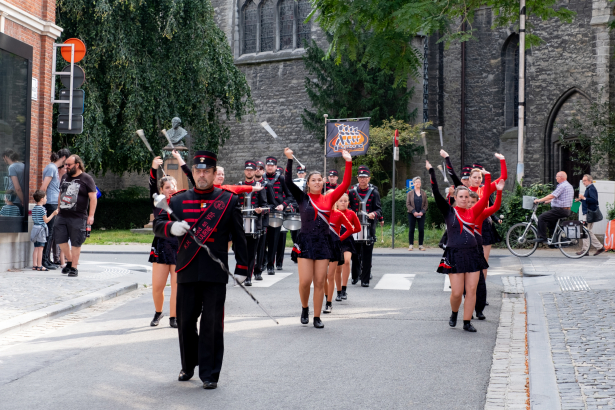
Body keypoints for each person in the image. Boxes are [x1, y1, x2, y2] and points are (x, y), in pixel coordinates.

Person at [152, 150, 248, 389]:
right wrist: (172, 228)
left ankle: (210, 373)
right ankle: (189, 364)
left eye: (207, 171)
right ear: (192, 173)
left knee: (212, 324)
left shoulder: (228, 200)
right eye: (198, 171)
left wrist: (243, 267)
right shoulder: (178, 199)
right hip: (185, 268)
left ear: (215, 174)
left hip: (215, 273)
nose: (202, 174)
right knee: (185, 322)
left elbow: (239, 237)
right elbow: (158, 224)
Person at [284, 147, 352, 328]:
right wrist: (290, 160)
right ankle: (305, 307)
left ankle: (316, 316)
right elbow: (287, 181)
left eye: (319, 180)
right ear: (308, 183)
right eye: (313, 180)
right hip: (306, 241)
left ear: (323, 183)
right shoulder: (302, 198)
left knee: (320, 281)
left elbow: (345, 184)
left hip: (323, 242)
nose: (316, 182)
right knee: (305, 281)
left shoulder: (329, 199)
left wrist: (348, 161)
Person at [427, 160, 491, 333]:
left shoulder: (473, 211)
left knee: (471, 290)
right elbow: (435, 192)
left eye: (466, 197)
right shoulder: (449, 211)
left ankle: (467, 321)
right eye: (461, 197)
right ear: (456, 198)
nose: (464, 200)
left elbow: (485, 198)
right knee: (457, 293)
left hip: (472, 255)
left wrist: (488, 179)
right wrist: (432, 172)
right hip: (454, 255)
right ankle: (454, 313)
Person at [147, 155, 182, 327]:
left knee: (176, 285)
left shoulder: (182, 201)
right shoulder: (158, 201)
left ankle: (173, 317)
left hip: (178, 246)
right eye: (167, 187)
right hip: (161, 245)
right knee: (158, 286)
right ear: (162, 190)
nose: (171, 189)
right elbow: (152, 185)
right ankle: (158, 312)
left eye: (173, 186)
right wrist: (154, 168)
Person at [56, 155, 97, 277]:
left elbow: (93, 198)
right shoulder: (64, 177)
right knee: (60, 239)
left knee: (76, 242)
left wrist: (91, 215)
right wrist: (58, 208)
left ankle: (73, 267)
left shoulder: (86, 178)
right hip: (62, 215)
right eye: (65, 165)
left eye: (69, 165)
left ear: (77, 165)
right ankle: (70, 261)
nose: (66, 167)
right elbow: (60, 193)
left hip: (78, 217)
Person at [471, 180, 504, 320]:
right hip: (466, 252)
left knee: (479, 281)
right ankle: (465, 313)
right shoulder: (462, 214)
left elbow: (493, 204)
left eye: (474, 202)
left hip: (478, 249)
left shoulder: (483, 214)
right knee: (468, 285)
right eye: (469, 202)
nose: (472, 205)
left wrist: (499, 190)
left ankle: (479, 309)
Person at [349, 165, 382, 287]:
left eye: (365, 177)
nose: (362, 180)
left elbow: (379, 210)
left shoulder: (374, 193)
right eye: (360, 177)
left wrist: (374, 213)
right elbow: (347, 207)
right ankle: (355, 275)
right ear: (357, 178)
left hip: (369, 227)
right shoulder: (352, 192)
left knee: (367, 254)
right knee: (355, 254)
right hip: (354, 227)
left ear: (369, 178)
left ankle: (365, 279)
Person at [323, 190, 354, 314]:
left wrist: (339, 238)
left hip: (337, 244)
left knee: (333, 273)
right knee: (322, 276)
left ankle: (330, 301)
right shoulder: (320, 212)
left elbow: (352, 228)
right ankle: (327, 297)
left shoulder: (340, 214)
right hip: (322, 246)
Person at [40, 149, 71, 270]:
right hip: (51, 203)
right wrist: (42, 203)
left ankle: (47, 259)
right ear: (63, 158)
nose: (67, 165)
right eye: (67, 161)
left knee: (51, 233)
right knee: (50, 233)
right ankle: (44, 260)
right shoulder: (52, 168)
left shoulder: (52, 168)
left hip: (53, 203)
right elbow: (44, 186)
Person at [237, 160, 267, 285]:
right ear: (245, 171)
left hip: (254, 223)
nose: (249, 172)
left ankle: (248, 277)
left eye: (251, 170)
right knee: (239, 251)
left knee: (251, 251)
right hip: (239, 223)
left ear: (255, 171)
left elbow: (265, 205)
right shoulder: (238, 186)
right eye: (247, 170)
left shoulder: (260, 187)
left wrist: (261, 210)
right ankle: (240, 274)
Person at [263, 156, 294, 275]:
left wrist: (283, 205)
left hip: (276, 213)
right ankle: (264, 261)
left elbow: (290, 196)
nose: (270, 167)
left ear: (276, 167)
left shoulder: (281, 179)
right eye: (268, 165)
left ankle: (271, 264)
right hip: (264, 213)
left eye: (272, 165)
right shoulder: (262, 178)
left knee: (274, 240)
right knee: (262, 241)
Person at [333, 193, 361, 301]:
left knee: (347, 261)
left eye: (345, 201)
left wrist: (348, 232)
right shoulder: (333, 213)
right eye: (341, 201)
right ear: (337, 202)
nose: (343, 203)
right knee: (337, 267)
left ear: (348, 202)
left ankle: (344, 289)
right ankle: (339, 291)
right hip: (336, 241)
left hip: (347, 241)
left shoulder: (351, 213)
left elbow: (358, 228)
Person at [533, 171, 574, 243]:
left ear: (561, 177)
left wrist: (539, 200)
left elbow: (552, 195)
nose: (555, 178)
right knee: (550, 223)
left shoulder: (562, 186)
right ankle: (558, 240)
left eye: (557, 176)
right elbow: (562, 198)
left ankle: (543, 238)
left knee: (541, 218)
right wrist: (549, 201)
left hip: (560, 210)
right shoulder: (569, 185)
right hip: (566, 210)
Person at [578, 174, 605, 256]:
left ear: (590, 180)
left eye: (585, 180)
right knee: (587, 231)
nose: (583, 182)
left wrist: (584, 198)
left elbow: (594, 200)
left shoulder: (591, 188)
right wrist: (580, 199)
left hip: (589, 213)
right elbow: (588, 200)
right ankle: (587, 250)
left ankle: (595, 248)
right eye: (583, 181)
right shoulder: (589, 188)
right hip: (588, 213)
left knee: (586, 231)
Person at [31, 190, 58, 271]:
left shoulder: (34, 208)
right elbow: (46, 220)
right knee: (41, 248)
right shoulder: (42, 209)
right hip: (41, 230)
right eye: (46, 198)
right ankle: (40, 265)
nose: (47, 199)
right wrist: (53, 214)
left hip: (35, 228)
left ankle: (34, 265)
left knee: (36, 248)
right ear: (42, 199)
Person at [406, 177, 428, 251]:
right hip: (412, 214)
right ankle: (411, 245)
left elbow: (426, 204)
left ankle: (420, 245)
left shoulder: (424, 193)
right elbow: (408, 204)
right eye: (417, 182)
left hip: (421, 214)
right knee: (411, 229)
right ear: (414, 183)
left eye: (419, 182)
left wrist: (422, 212)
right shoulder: (409, 193)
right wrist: (413, 211)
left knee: (421, 229)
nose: (418, 183)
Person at [2, 149, 25, 215]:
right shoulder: (23, 166)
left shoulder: (12, 167)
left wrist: (22, 200)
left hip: (14, 200)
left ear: (5, 157)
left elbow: (17, 188)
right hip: (21, 199)